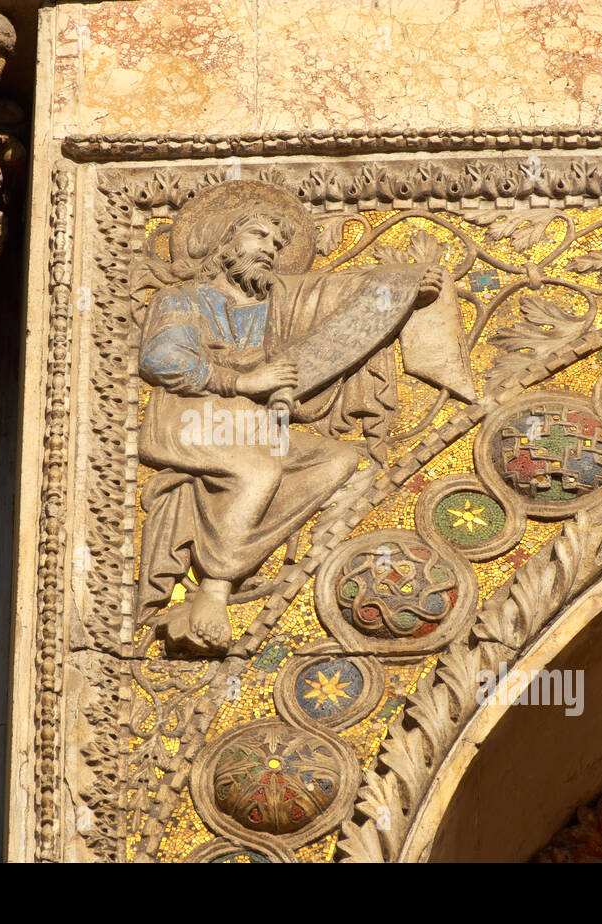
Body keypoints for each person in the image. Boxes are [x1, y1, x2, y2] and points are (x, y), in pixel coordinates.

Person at [136, 180, 443, 655]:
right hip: (188, 419)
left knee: (338, 460)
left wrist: (397, 293)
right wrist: (241, 382)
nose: (271, 250)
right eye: (259, 236)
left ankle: (246, 549)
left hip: (245, 426)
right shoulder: (185, 299)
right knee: (258, 470)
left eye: (278, 244)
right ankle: (214, 590)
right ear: (223, 238)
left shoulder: (272, 307)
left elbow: (333, 295)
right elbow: (163, 359)